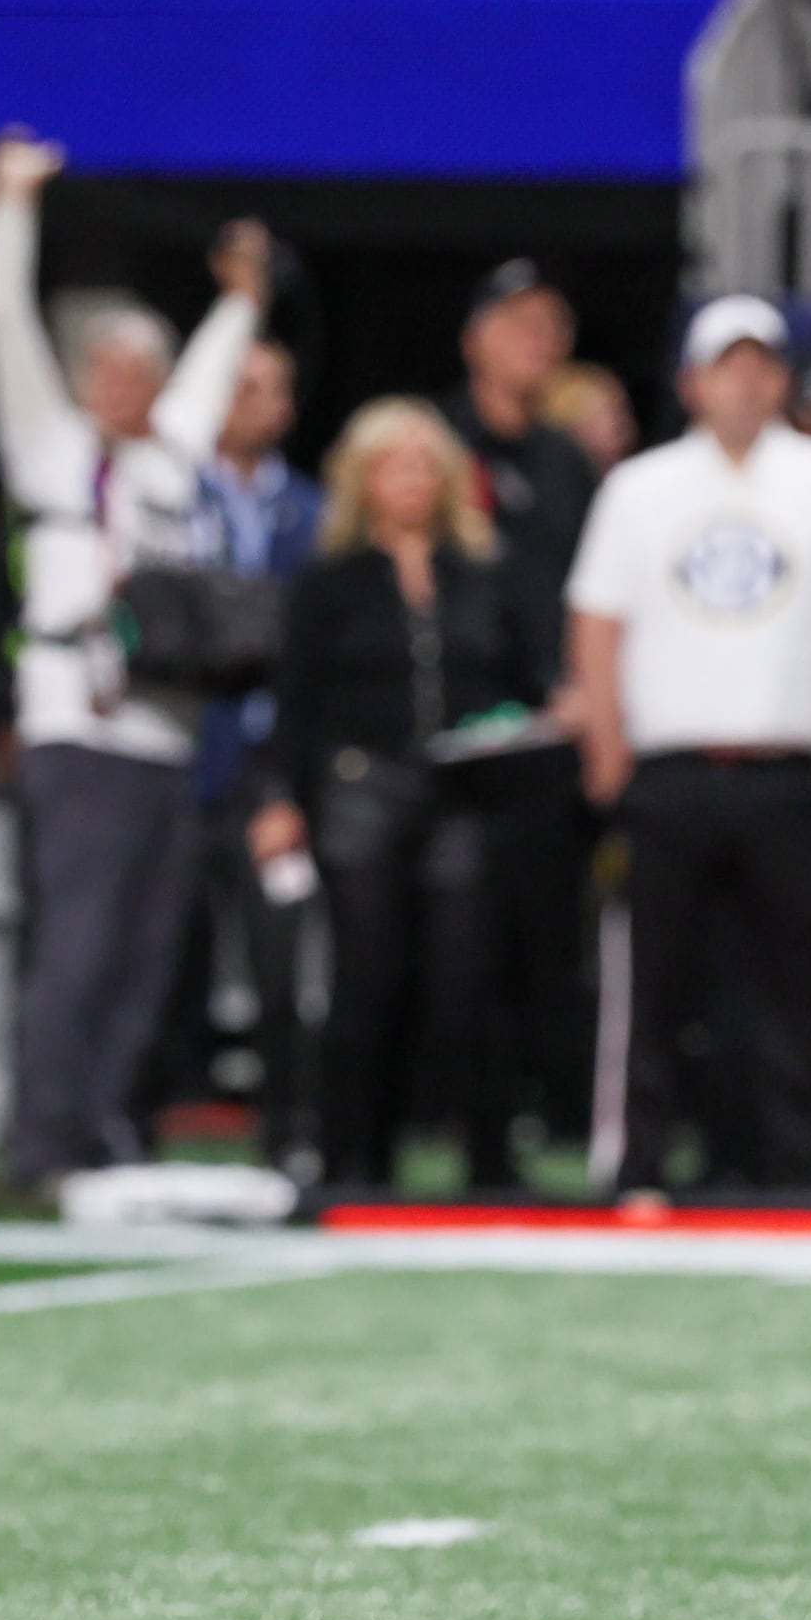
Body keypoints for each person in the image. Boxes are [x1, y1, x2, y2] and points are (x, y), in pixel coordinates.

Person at [0, 137, 274, 1192]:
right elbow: (2, 320)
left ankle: (110, 1121)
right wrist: (11, 204)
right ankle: (46, 1140)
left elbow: (213, 370)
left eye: (141, 370)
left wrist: (240, 297)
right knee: (82, 943)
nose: (124, 385)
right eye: (106, 368)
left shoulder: (169, 463)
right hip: (80, 728)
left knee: (150, 952)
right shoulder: (54, 451)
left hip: (168, 732)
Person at [566, 295, 811, 1199]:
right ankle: (642, 1163)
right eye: (728, 363)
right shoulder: (639, 486)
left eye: (762, 364)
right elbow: (597, 624)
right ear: (691, 380)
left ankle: (794, 1165)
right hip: (669, 768)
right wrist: (607, 750)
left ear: (784, 380)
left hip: (793, 770)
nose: (746, 381)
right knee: (656, 982)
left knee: (795, 983)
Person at [252, 402, 548, 1192]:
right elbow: (296, 702)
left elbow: (530, 682)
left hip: (465, 793)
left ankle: (490, 1163)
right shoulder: (330, 582)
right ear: (364, 480)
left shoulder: (486, 573)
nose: (411, 481)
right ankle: (355, 1158)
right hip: (361, 791)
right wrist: (279, 796)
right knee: (365, 980)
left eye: (425, 465)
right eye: (394, 466)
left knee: (467, 979)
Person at [437, 261, 601, 1152]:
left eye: (554, 326)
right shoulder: (432, 443)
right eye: (520, 322)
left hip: (549, 743)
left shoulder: (564, 460)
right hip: (455, 751)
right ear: (476, 336)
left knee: (547, 947)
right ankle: (468, 1134)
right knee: (463, 952)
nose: (541, 340)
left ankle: (552, 1128)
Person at [179, 337, 321, 1182]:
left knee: (284, 963)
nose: (249, 400)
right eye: (236, 384)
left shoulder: (309, 511)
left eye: (267, 386)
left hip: (271, 767)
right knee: (162, 958)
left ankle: (290, 1129)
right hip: (181, 754)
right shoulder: (166, 497)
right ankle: (146, 1123)